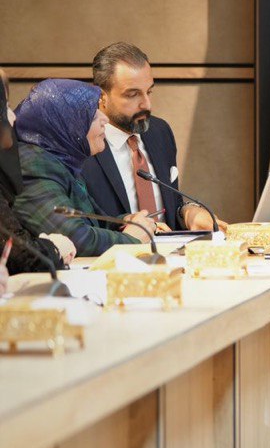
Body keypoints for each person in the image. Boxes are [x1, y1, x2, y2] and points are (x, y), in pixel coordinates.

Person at [80, 42, 227, 232]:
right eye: (133, 95)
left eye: (149, 92)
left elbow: (171, 205)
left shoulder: (159, 132)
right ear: (101, 96)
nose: (147, 105)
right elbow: (81, 224)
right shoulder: (80, 143)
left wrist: (189, 213)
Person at [12, 79, 157, 256]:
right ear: (67, 125)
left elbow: (90, 221)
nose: (105, 119)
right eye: (93, 115)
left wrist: (126, 221)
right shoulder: (33, 164)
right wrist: (131, 239)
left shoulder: (62, 159)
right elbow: (75, 238)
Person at [0, 70, 75, 274]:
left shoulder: (75, 164)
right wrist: (54, 248)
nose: (12, 117)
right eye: (5, 106)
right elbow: (20, 256)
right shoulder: (35, 162)